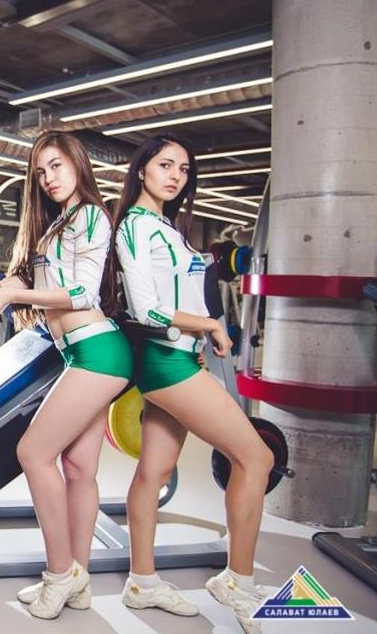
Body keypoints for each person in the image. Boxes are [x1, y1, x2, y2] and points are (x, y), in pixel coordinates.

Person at [113, 134, 273, 634]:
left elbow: (182, 294)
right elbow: (147, 308)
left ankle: (142, 581)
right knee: (257, 458)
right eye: (165, 165)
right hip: (164, 362)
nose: (176, 176)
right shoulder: (134, 226)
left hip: (180, 355)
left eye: (183, 169)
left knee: (153, 472)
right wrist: (209, 326)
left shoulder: (167, 228)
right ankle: (237, 581)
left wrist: (199, 335)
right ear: (142, 169)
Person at [0, 131, 132, 619]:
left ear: (78, 164)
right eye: (40, 172)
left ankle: (58, 574)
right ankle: (78, 581)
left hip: (97, 351)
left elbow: (82, 294)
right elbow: (35, 277)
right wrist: (0, 289)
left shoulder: (90, 215)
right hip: (79, 352)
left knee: (33, 452)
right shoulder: (57, 223)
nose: (48, 178)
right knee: (78, 469)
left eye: (56, 166)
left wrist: (14, 296)